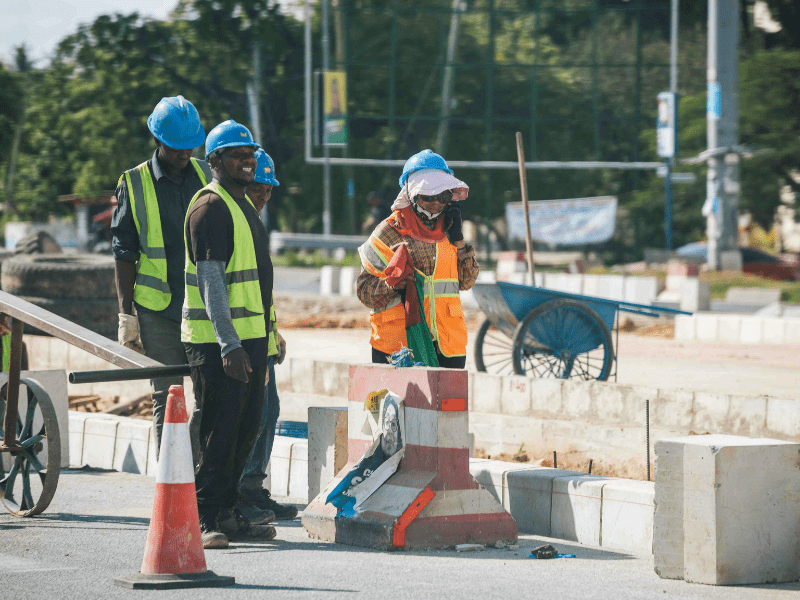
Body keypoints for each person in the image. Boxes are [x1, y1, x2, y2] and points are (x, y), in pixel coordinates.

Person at [182, 120, 276, 548]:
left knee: (246, 427)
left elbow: (256, 284)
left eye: (250, 154)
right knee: (219, 431)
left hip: (252, 342)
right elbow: (212, 283)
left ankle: (227, 509)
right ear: (215, 161)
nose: (247, 160)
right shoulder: (211, 208)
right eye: (237, 154)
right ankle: (203, 518)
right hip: (219, 342)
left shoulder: (243, 208)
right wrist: (229, 343)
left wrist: (267, 342)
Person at [112, 95, 211, 460]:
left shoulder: (206, 175)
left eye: (190, 146)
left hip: (201, 306)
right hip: (157, 309)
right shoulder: (134, 183)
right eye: (177, 148)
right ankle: (170, 485)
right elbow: (124, 253)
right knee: (168, 397)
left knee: (209, 396)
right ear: (158, 140)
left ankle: (198, 482)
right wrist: (127, 315)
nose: (185, 154)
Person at [357, 149, 479, 368]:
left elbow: (467, 281)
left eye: (442, 195)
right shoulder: (387, 233)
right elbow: (364, 292)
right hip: (398, 348)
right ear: (411, 194)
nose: (436, 203)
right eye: (428, 195)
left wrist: (459, 239)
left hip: (447, 346)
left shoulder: (451, 231)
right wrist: (392, 285)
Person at [236, 150, 298, 522]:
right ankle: (239, 490)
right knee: (248, 415)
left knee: (269, 410)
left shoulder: (255, 224)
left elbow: (260, 292)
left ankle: (252, 488)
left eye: (268, 190)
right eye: (258, 188)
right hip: (236, 340)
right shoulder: (234, 221)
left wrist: (274, 333)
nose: (263, 196)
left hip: (260, 337)